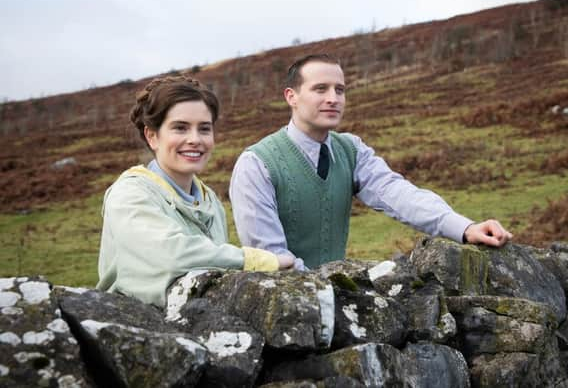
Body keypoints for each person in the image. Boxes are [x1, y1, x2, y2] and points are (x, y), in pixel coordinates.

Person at [229, 54, 513, 270]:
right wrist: (326, 291)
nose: (333, 99)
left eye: (339, 90)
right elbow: (270, 257)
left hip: (334, 298)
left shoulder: (351, 149)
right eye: (320, 89)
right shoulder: (256, 164)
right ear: (291, 96)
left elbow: (398, 194)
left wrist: (464, 228)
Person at [97, 75, 293, 307]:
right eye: (180, 128)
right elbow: (172, 254)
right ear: (152, 136)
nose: (195, 139)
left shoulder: (210, 200)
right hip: (135, 327)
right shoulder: (129, 194)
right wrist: (258, 260)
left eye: (204, 129)